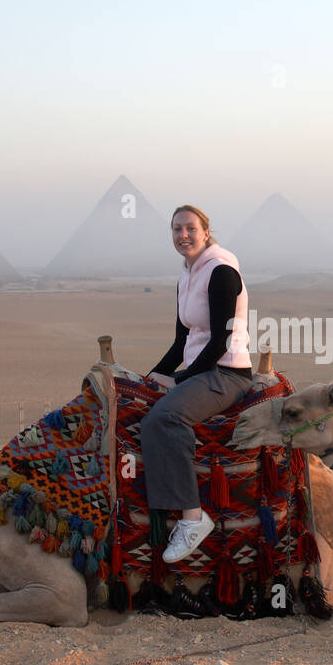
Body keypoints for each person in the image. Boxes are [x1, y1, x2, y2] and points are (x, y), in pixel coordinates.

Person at [141, 204, 253, 563]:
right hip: (199, 370)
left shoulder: (220, 271)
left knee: (165, 419)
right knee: (141, 403)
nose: (183, 235)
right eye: (176, 229)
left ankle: (192, 517)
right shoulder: (187, 275)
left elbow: (219, 342)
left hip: (226, 373)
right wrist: (151, 376)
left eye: (190, 228)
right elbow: (180, 341)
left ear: (206, 231)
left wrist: (180, 380)